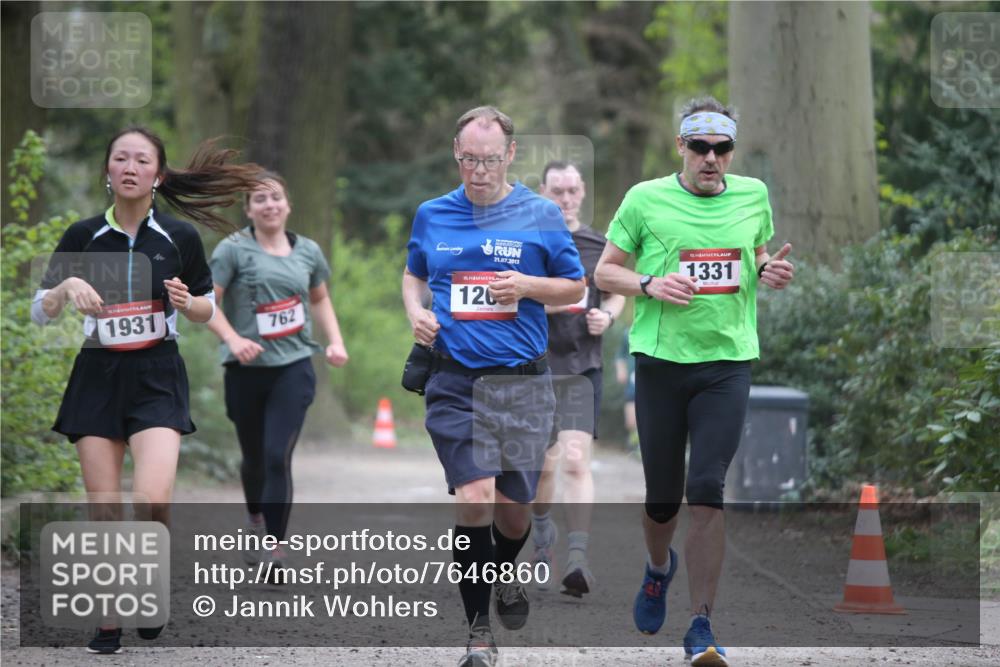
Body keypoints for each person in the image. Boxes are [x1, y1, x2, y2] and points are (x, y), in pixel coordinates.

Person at [31, 126, 263, 654]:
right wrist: (65, 288)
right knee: (105, 508)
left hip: (157, 373)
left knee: (152, 499)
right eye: (120, 159)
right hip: (97, 377)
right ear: (108, 172)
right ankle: (110, 618)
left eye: (141, 160)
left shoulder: (178, 238)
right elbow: (37, 311)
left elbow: (207, 307)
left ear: (157, 175)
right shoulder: (83, 234)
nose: (130, 167)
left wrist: (187, 302)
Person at [594, 96, 794, 667]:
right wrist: (651, 283)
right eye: (700, 147)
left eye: (722, 148)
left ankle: (701, 625)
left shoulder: (753, 195)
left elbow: (753, 255)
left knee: (707, 488)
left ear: (731, 151)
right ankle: (658, 569)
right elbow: (604, 270)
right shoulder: (644, 199)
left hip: (727, 363)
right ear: (680, 146)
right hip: (660, 362)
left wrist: (767, 270)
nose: (711, 158)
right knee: (663, 501)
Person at [402, 106, 585, 667]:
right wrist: (416, 311)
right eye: (467, 159)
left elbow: (573, 286)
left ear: (509, 155)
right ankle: (479, 632)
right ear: (455, 154)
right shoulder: (433, 214)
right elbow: (413, 274)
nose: (477, 170)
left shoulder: (541, 214)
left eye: (487, 159)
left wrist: (528, 286)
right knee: (475, 499)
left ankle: (506, 568)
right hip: (455, 380)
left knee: (514, 514)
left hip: (523, 385)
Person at [207, 171, 348, 571]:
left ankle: (274, 546)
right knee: (253, 457)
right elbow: (207, 304)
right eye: (260, 200)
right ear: (249, 210)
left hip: (294, 366)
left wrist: (335, 341)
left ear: (288, 205)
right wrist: (233, 340)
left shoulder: (308, 252)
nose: (270, 205)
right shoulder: (232, 250)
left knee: (276, 456)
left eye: (276, 198)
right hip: (245, 368)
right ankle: (255, 519)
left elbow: (320, 300)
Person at [529, 161, 624, 597]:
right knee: (544, 467)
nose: (565, 199)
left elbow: (616, 286)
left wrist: (607, 313)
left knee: (574, 461)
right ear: (542, 193)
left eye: (572, 191)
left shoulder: (597, 244)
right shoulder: (529, 242)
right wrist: (547, 303)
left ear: (583, 191)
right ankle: (543, 532)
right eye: (556, 191)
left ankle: (578, 560)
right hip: (537, 369)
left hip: (583, 367)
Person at [614, 334, 638, 451]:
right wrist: (621, 369)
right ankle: (634, 444)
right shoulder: (628, 333)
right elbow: (620, 355)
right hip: (632, 382)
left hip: (651, 379)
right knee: (630, 421)